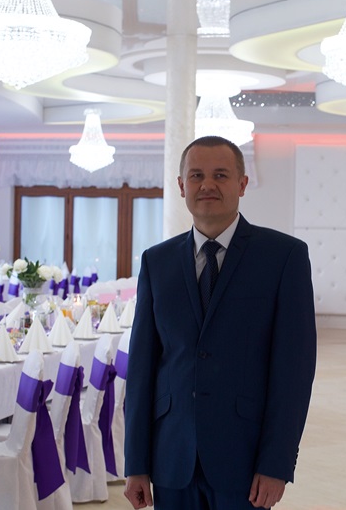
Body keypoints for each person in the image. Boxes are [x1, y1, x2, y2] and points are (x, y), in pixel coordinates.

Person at [123, 136, 317, 509]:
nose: (207, 184)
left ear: (242, 184)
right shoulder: (156, 262)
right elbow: (142, 370)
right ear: (181, 186)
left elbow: (293, 373)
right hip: (172, 457)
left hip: (245, 458)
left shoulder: (283, 257)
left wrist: (276, 463)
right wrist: (137, 463)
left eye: (220, 175)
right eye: (196, 175)